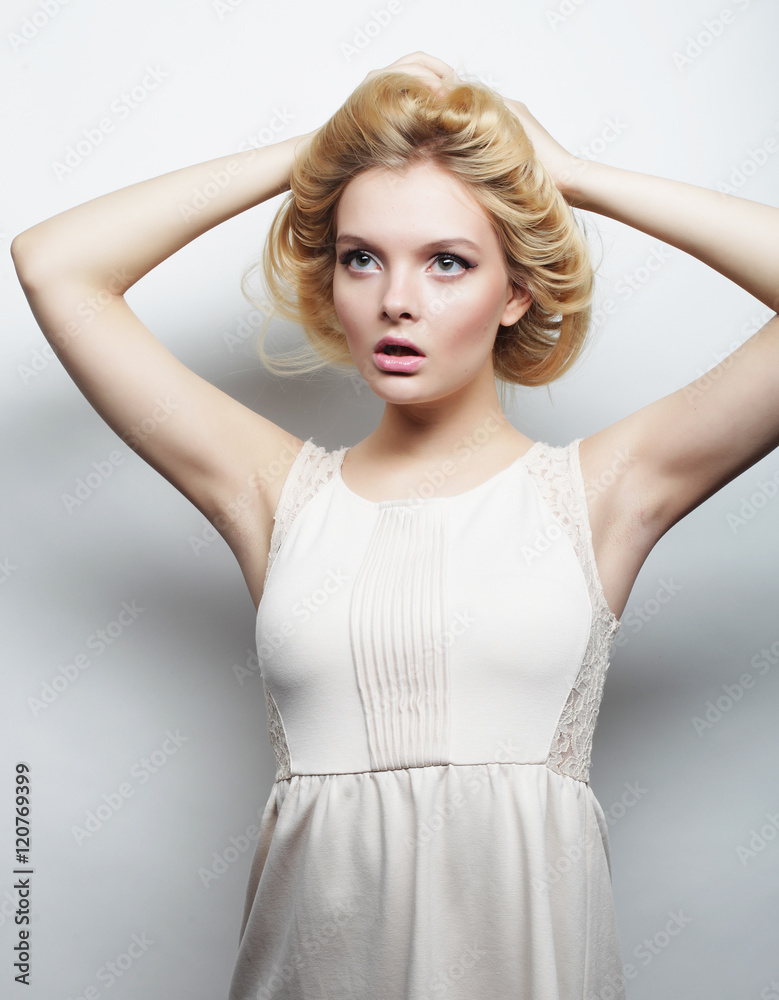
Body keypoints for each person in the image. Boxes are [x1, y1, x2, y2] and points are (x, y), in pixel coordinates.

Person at [11, 50, 779, 999]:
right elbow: (55, 266)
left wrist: (575, 177)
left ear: (515, 293)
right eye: (360, 257)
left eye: (447, 262)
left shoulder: (599, 494)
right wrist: (322, 152)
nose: (395, 300)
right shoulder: (277, 495)